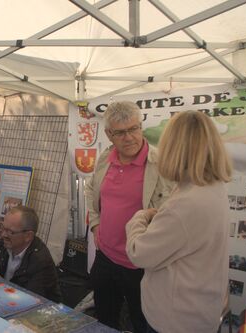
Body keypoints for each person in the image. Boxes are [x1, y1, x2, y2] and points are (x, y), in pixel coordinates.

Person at [126, 111, 232, 333]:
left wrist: (140, 217)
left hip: (175, 320)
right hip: (200, 310)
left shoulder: (186, 203)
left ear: (174, 148)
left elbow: (139, 253)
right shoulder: (212, 186)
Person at [84, 101, 173, 332]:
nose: (129, 137)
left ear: (141, 126)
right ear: (109, 134)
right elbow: (90, 190)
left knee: (143, 323)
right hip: (106, 258)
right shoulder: (106, 158)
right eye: (121, 132)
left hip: (141, 265)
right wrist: (95, 226)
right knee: (104, 320)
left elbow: (171, 213)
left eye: (134, 129)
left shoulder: (160, 164)